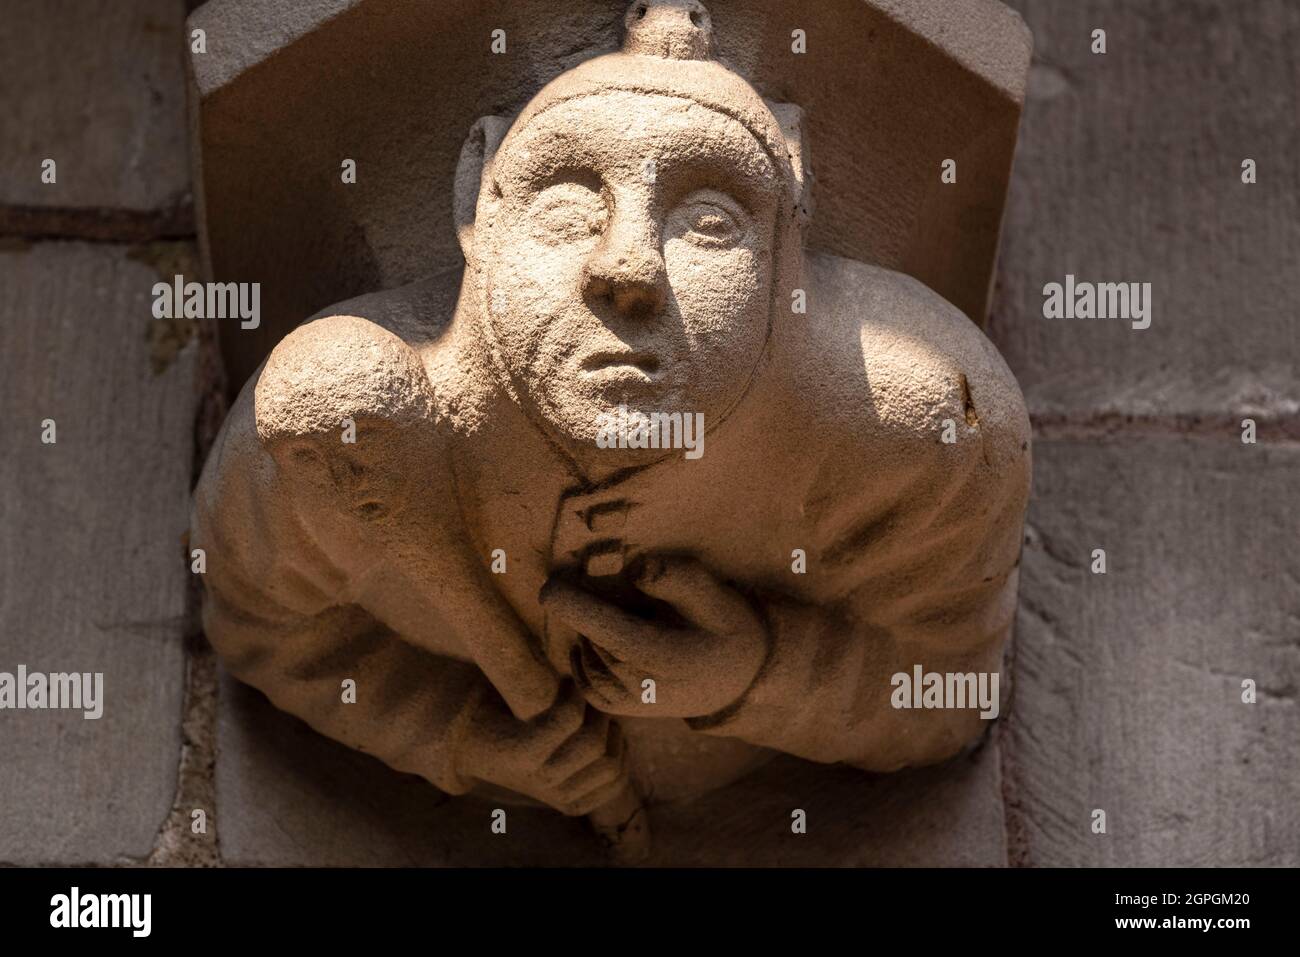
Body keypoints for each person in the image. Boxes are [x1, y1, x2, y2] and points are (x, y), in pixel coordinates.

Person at [191, 0, 1030, 846]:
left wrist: (768, 675)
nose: (628, 264)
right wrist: (461, 736)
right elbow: (262, 628)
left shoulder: (917, 436)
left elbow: (953, 690)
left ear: (787, 241)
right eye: (565, 209)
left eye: (709, 223)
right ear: (475, 208)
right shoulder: (339, 436)